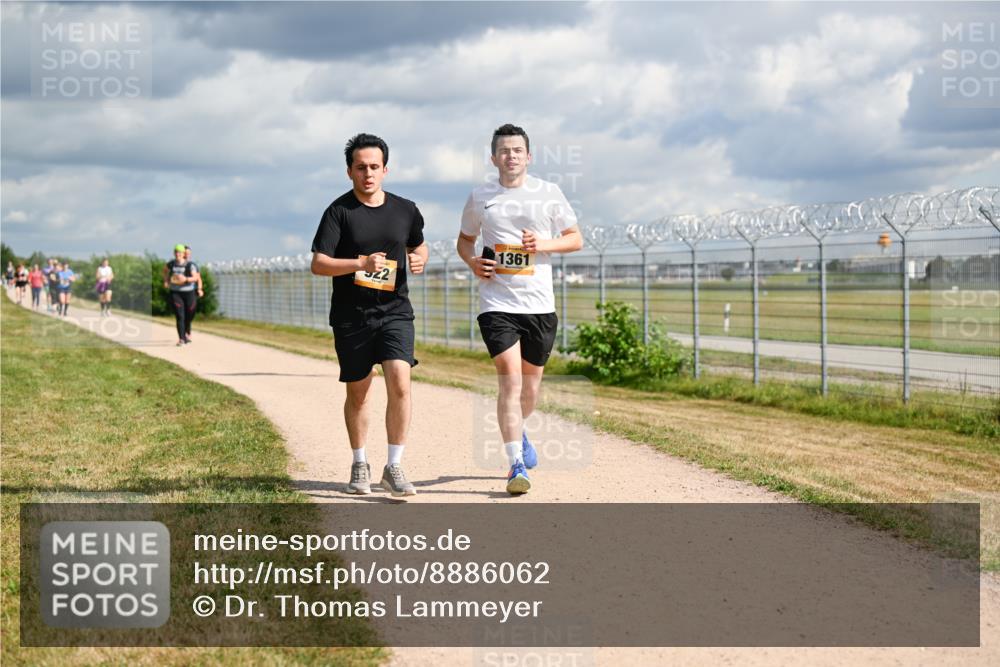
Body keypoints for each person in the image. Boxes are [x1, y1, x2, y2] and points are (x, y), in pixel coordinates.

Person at [457, 124, 583, 495]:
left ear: (528, 157)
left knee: (530, 390)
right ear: (493, 157)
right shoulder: (481, 196)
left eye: (517, 150)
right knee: (509, 381)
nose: (510, 156)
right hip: (497, 302)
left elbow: (575, 239)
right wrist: (473, 263)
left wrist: (541, 243)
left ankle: (519, 429)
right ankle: (515, 465)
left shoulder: (549, 193)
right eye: (504, 150)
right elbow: (465, 242)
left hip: (540, 304)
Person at [310, 133, 428, 498]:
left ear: (385, 169)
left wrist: (421, 256)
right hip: (352, 315)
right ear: (349, 172)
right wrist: (360, 263)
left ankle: (394, 466)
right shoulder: (338, 212)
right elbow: (319, 263)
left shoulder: (405, 209)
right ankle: (360, 462)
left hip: (395, 311)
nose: (368, 173)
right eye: (360, 167)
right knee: (359, 393)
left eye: (374, 167)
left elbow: (417, 242)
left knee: (400, 381)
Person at [163, 244, 200, 346]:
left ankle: (187, 331)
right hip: (176, 293)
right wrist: (166, 281)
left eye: (179, 252)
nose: (177, 254)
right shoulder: (171, 264)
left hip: (189, 293)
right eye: (176, 252)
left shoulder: (190, 265)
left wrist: (186, 279)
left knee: (190, 314)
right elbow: (165, 271)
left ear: (184, 254)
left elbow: (196, 277)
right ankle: (182, 339)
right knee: (180, 316)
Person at [182, 245, 204, 337]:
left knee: (190, 311)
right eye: (186, 253)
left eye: (189, 254)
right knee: (182, 313)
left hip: (191, 292)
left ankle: (187, 329)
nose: (187, 255)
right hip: (180, 292)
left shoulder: (193, 266)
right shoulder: (176, 265)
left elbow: (199, 279)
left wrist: (199, 289)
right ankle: (185, 333)